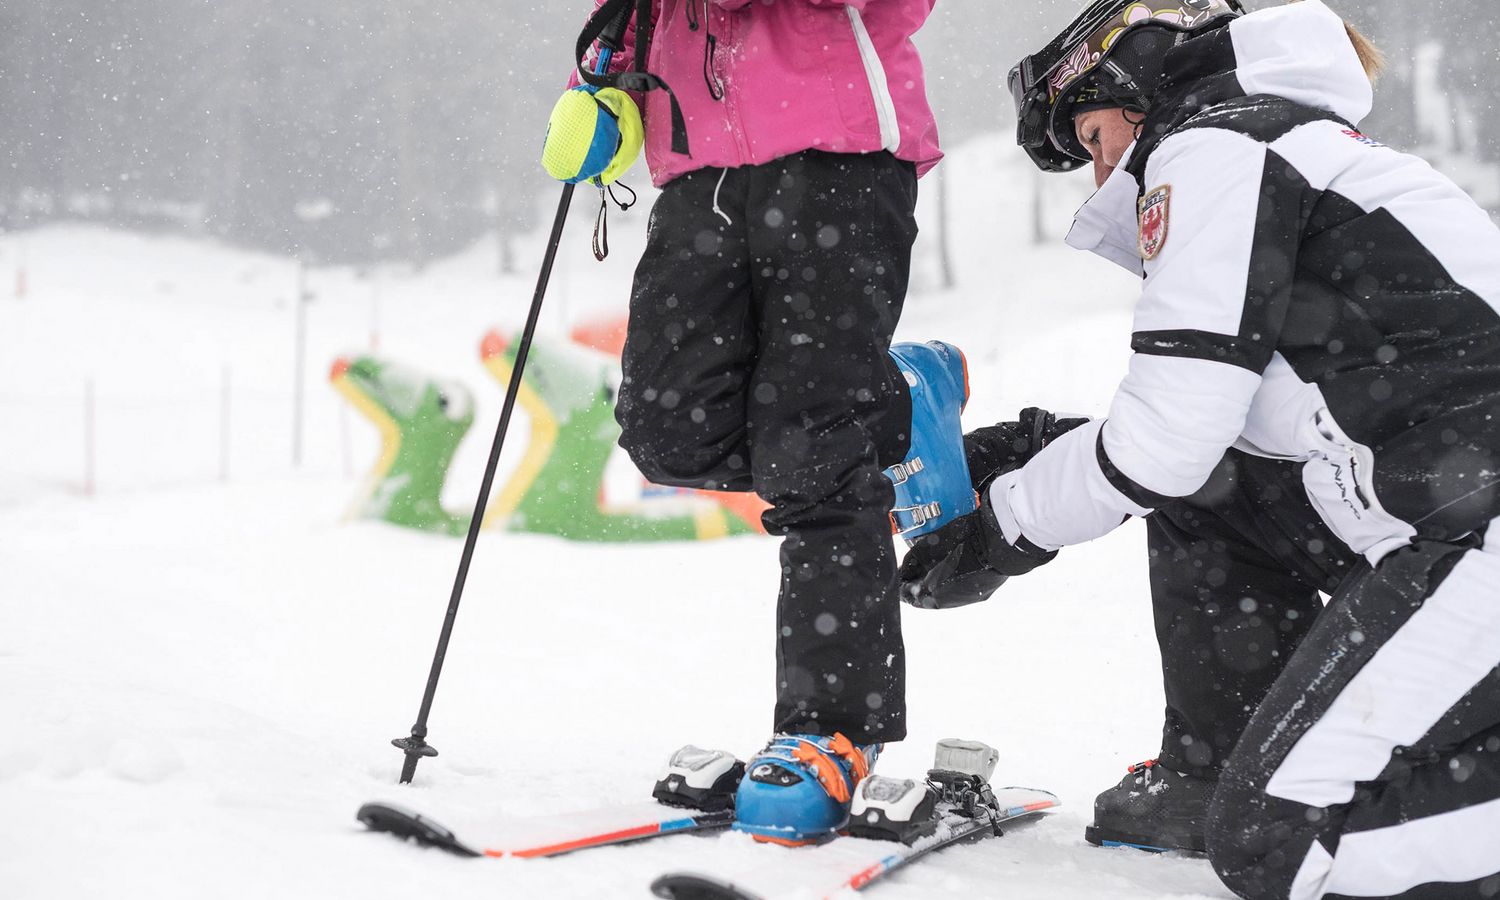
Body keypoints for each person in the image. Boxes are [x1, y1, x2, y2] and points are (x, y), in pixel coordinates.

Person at [901, 0, 1500, 896]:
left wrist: (1001, 530)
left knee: (1280, 845)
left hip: (1468, 538)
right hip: (1442, 518)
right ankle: (1214, 763)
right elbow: (1229, 440)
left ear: (1139, 87)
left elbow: (1169, 439)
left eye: (1096, 137)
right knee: (1203, 494)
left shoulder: (1221, 146)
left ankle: (1256, 793)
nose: (1101, 172)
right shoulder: (1289, 146)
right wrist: (1042, 450)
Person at [541, 0, 963, 845]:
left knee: (813, 449)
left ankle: (832, 729)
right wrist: (608, 68)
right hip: (700, 176)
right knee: (668, 429)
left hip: (837, 156)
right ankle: (896, 401)